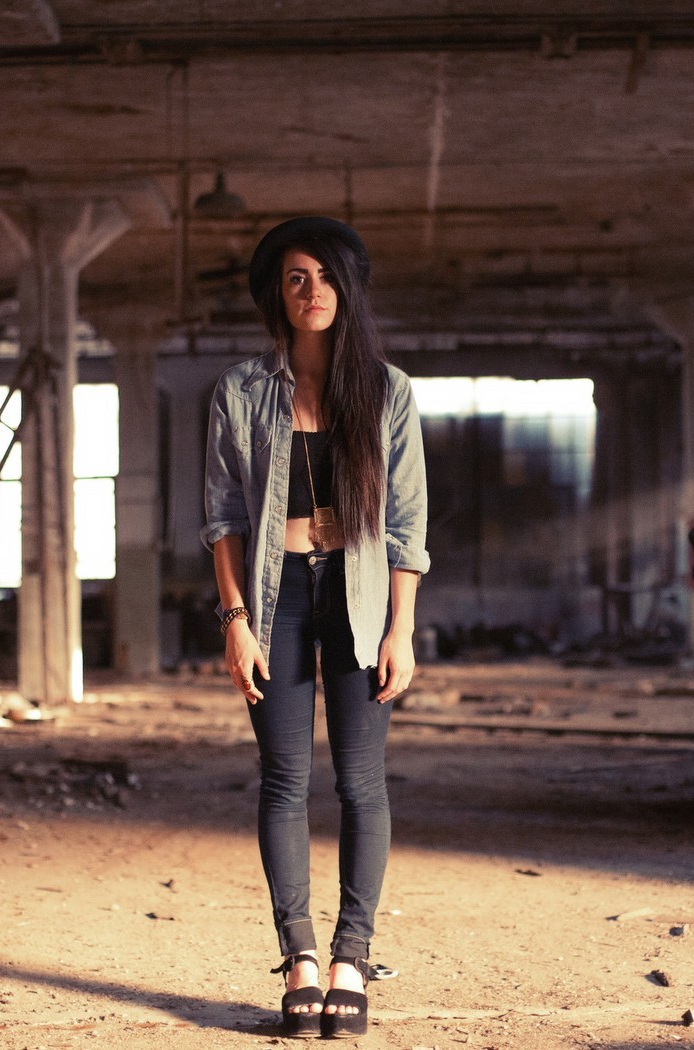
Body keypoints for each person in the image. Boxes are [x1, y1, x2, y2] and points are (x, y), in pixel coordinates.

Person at [201, 216, 429, 1039]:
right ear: (277, 292)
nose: (313, 291)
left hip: (361, 597)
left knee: (361, 783)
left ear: (349, 288)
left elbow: (406, 526)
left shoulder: (388, 391)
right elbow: (223, 517)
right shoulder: (240, 391)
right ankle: (297, 957)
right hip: (275, 596)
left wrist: (401, 630)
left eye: (326, 277)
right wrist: (235, 618)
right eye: (297, 277)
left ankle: (350, 961)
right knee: (284, 779)